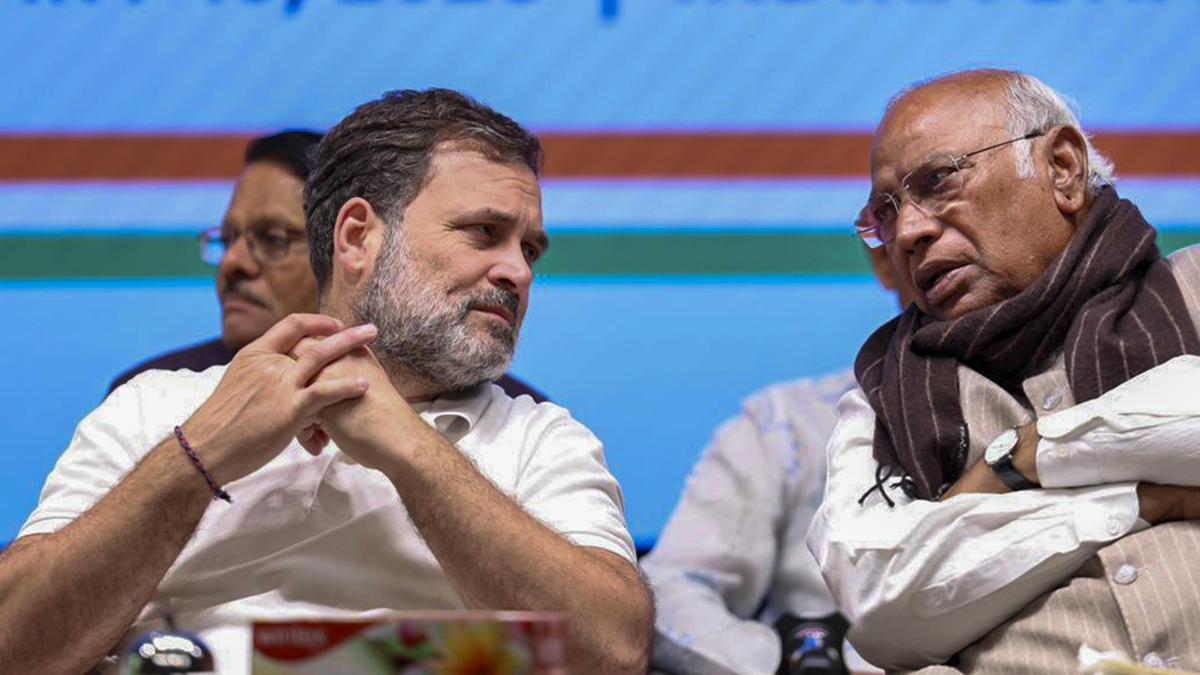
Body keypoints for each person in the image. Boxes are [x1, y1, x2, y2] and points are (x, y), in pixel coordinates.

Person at [0, 88, 652, 675]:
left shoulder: (540, 438)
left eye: (529, 249)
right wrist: (199, 455)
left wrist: (410, 448)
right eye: (485, 233)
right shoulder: (156, 405)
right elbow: (13, 646)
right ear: (358, 237)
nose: (519, 272)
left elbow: (614, 655)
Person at [807, 69, 1200, 673]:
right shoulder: (886, 397)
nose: (907, 232)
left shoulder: (1192, 288)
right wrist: (1142, 500)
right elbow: (880, 604)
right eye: (885, 213)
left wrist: (1020, 463)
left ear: (1063, 169)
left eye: (937, 181)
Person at [108, 130, 548, 402]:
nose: (234, 265)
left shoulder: (520, 421)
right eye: (228, 238)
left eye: (273, 239)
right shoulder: (152, 397)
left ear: (350, 243)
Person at [642, 248, 906, 675]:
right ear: (884, 261)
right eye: (894, 220)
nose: (920, 231)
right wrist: (793, 662)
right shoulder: (785, 423)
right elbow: (671, 592)